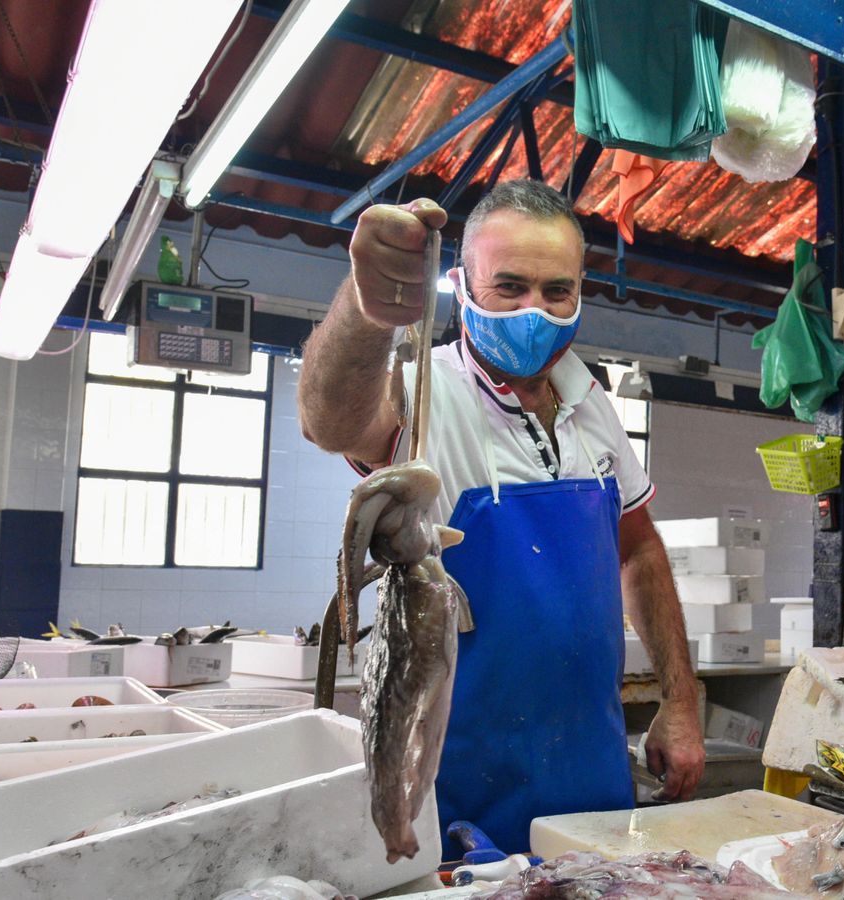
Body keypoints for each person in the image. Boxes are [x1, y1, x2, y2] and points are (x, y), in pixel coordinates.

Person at [297, 180, 705, 855]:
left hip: (594, 786)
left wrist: (681, 701)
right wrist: (369, 312)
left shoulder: (591, 402)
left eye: (556, 291)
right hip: (461, 794)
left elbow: (638, 550)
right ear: (461, 285)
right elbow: (330, 419)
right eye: (509, 287)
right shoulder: (426, 391)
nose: (533, 311)